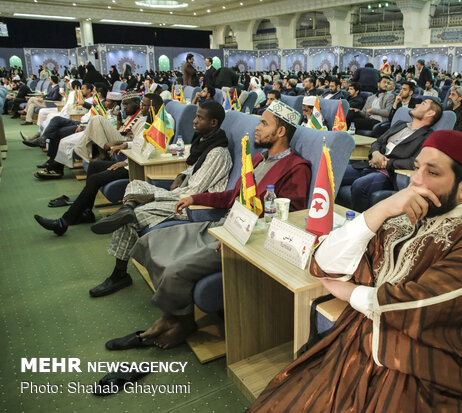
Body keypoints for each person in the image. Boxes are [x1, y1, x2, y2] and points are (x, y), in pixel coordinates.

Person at [250, 129, 462, 413]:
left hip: (438, 369)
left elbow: (427, 304)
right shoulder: (402, 216)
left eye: (433, 173)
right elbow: (324, 263)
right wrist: (380, 210)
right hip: (363, 346)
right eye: (416, 168)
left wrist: (350, 293)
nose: (415, 180)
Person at [108, 101, 312, 348]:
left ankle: (182, 321)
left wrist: (237, 237)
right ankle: (171, 316)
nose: (257, 128)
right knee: (149, 241)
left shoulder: (296, 168)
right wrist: (194, 198)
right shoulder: (258, 159)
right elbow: (230, 197)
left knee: (175, 269)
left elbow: (288, 219)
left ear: (281, 132)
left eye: (264, 123)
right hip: (222, 225)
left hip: (245, 239)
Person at [86, 101, 234, 297]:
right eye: (196, 115)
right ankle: (126, 208)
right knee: (135, 184)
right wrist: (180, 175)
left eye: (200, 117)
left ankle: (119, 274)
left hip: (196, 206)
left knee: (137, 214)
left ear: (213, 122)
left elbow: (195, 190)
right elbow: (194, 170)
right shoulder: (206, 142)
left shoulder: (218, 152)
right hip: (183, 195)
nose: (194, 120)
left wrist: (154, 196)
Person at [33, 94, 156, 234]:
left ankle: (64, 222)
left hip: (135, 166)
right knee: (93, 166)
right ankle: (86, 212)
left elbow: (146, 151)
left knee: (95, 178)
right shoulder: (146, 121)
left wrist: (123, 162)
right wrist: (123, 144)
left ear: (153, 107)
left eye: (144, 105)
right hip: (130, 159)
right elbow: (138, 143)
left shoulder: (158, 124)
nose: (141, 107)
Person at [339, 99, 442, 212]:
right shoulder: (400, 124)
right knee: (333, 173)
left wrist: (387, 163)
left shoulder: (428, 136)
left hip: (389, 174)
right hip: (370, 165)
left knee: (360, 185)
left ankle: (359, 226)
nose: (416, 104)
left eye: (422, 104)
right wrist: (375, 153)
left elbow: (414, 161)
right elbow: (377, 142)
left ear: (430, 113)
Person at [74, 91, 147, 162]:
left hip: (125, 142)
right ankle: (82, 150)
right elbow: (122, 131)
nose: (124, 107)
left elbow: (136, 142)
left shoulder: (142, 119)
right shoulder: (130, 115)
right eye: (123, 104)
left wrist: (115, 143)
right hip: (122, 137)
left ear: (137, 103)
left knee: (97, 119)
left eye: (127, 104)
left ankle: (102, 155)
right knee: (95, 124)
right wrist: (119, 121)